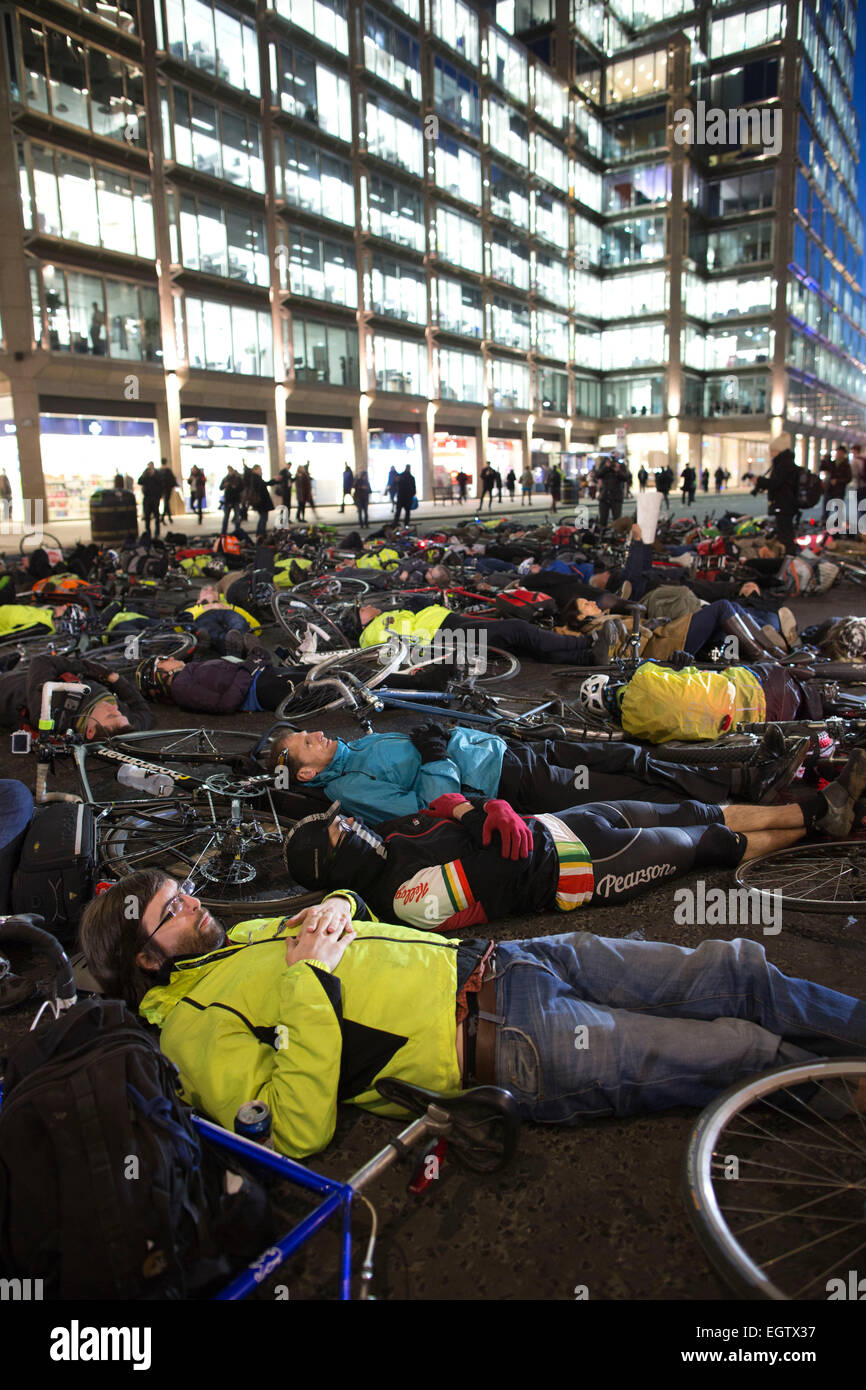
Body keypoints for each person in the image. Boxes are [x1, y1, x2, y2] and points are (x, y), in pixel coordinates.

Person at [80, 872, 866, 1160]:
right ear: (146, 960)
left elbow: (349, 919)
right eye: (170, 914)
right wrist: (309, 980)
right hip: (507, 1046)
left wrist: (335, 904)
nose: (193, 908)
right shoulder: (188, 1029)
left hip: (512, 961)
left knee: (731, 967)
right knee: (738, 1051)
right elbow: (292, 1129)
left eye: (179, 893)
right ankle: (849, 1098)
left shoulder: (229, 940)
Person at [283, 765, 866, 927]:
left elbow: (441, 807)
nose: (354, 826)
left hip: (565, 822)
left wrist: (482, 806)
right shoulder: (403, 897)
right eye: (342, 833)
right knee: (708, 842)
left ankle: (815, 809)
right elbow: (496, 863)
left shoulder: (386, 842)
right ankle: (817, 830)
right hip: (578, 869)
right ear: (337, 862)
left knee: (696, 810)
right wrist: (482, 818)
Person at [268, 716, 806, 825]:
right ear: (308, 775)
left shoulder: (352, 748)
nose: (316, 734)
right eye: (305, 745)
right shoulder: (349, 786)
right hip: (511, 784)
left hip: (511, 754)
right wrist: (435, 756)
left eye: (308, 731)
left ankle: (738, 777)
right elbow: (420, 810)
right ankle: (750, 801)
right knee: (627, 786)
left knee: (629, 756)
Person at [1, 650, 153, 741]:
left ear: (90, 731)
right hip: (27, 677)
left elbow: (41, 662)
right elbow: (144, 712)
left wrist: (87, 667)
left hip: (9, 687)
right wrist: (116, 680)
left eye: (110, 716)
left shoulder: (50, 712)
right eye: (118, 713)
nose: (114, 708)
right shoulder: (122, 726)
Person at [754, 434, 800, 555]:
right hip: (786, 504)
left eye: (772, 450)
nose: (770, 453)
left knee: (785, 534)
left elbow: (775, 483)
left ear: (779, 451)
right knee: (784, 532)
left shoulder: (783, 465)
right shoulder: (785, 463)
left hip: (784, 504)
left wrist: (758, 481)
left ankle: (789, 560)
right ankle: (788, 557)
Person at [821, 446, 852, 523]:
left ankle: (838, 525)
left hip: (839, 490)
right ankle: (824, 522)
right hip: (829, 488)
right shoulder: (831, 463)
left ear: (844, 454)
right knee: (826, 507)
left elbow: (848, 478)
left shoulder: (846, 465)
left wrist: (837, 481)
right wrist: (824, 460)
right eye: (838, 452)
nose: (839, 454)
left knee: (838, 508)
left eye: (841, 453)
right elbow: (822, 469)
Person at [595, 457, 626, 529]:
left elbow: (626, 478)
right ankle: (602, 535)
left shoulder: (620, 466)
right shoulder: (604, 466)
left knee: (617, 519)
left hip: (616, 497)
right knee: (603, 519)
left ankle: (616, 536)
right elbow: (597, 475)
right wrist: (606, 467)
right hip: (604, 497)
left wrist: (618, 470)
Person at [137, 462, 163, 538]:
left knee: (156, 516)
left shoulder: (157, 473)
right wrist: (145, 475)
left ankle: (157, 532)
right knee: (147, 516)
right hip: (147, 498)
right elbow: (140, 481)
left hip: (155, 498)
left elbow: (161, 483)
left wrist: (154, 475)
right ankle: (148, 532)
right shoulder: (145, 474)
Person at [219, 466, 243, 535]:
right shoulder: (226, 479)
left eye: (231, 471)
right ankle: (223, 532)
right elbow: (220, 487)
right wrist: (224, 485)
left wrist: (235, 487)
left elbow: (242, 487)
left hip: (236, 499)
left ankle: (237, 531)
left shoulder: (238, 479)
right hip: (228, 500)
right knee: (226, 517)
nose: (230, 472)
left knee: (237, 516)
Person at [158, 458, 177, 522]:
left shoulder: (159, 470)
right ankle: (165, 517)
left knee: (166, 502)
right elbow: (172, 480)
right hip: (167, 489)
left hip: (161, 489)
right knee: (166, 502)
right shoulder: (168, 470)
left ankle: (166, 517)